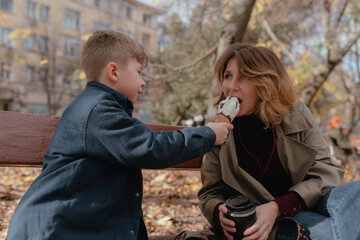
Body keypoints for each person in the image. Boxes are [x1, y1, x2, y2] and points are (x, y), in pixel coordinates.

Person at [6, 30, 233, 240]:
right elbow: (149, 148)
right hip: (54, 229)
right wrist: (208, 134)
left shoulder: (102, 109)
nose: (143, 82)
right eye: (139, 72)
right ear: (114, 71)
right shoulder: (98, 111)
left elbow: (122, 205)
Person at [198, 43, 360, 240]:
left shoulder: (295, 114)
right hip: (270, 224)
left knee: (356, 191)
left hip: (310, 201)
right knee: (332, 231)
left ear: (265, 83)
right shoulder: (218, 131)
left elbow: (327, 171)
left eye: (245, 77)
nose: (232, 87)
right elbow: (210, 193)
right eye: (228, 76)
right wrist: (218, 212)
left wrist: (277, 207)